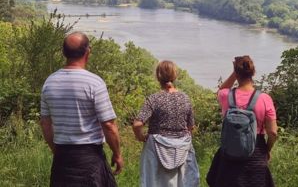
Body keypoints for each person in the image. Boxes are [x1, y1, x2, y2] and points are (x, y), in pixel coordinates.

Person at [40, 32, 124, 187]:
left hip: (62, 158)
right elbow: (109, 125)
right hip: (89, 158)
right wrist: (117, 154)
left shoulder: (49, 83)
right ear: (88, 52)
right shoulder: (94, 83)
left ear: (64, 52)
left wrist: (56, 150)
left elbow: (45, 123)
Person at [206, 55, 278, 187]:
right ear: (253, 72)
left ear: (236, 73)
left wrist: (234, 74)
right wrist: (266, 150)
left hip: (229, 153)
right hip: (256, 153)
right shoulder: (265, 98)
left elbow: (221, 90)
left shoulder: (225, 95)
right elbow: (272, 132)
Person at [133, 60, 200, 187]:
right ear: (175, 76)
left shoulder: (154, 99)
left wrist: (141, 137)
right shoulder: (185, 98)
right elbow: (191, 127)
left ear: (158, 76)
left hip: (156, 148)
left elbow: (137, 124)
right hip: (182, 149)